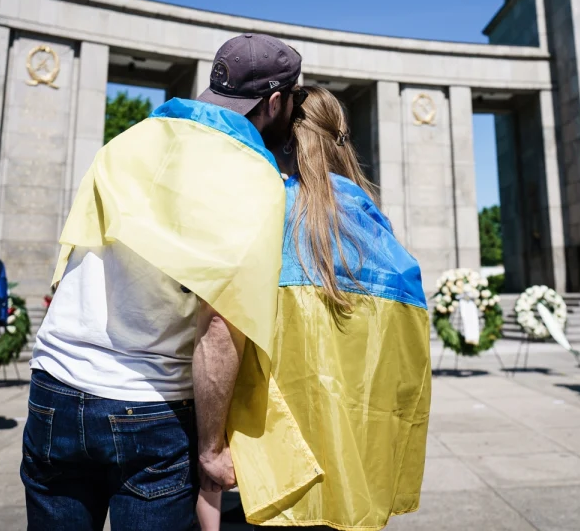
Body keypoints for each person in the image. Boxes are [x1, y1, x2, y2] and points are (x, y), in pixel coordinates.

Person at [22, 33, 300, 530]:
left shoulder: (129, 139)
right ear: (276, 101)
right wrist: (212, 448)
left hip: (54, 385)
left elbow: (71, 259)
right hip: (149, 404)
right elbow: (222, 322)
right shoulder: (255, 176)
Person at [222, 86, 430, 530]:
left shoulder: (264, 206)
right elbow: (402, 348)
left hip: (274, 451)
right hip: (351, 448)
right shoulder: (364, 210)